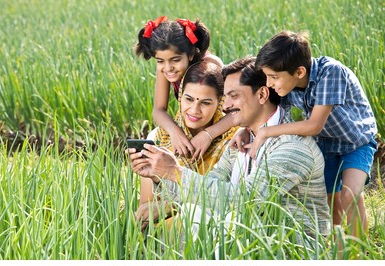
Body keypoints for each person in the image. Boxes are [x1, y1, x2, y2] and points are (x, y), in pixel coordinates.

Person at [128, 56, 331, 240]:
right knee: (193, 213)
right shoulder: (242, 139)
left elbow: (243, 201)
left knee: (196, 220)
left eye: (234, 96)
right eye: (226, 97)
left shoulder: (292, 147)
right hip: (251, 237)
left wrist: (175, 172)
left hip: (288, 251)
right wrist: (159, 175)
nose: (225, 107)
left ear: (262, 95)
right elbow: (210, 190)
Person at [234, 31, 377, 238]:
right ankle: (336, 249)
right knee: (331, 202)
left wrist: (266, 132)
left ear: (299, 72)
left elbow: (314, 125)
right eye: (267, 76)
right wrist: (244, 130)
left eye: (273, 77)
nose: (269, 83)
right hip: (326, 146)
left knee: (351, 195)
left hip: (355, 143)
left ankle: (359, 252)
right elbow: (265, 111)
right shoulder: (287, 84)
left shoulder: (331, 73)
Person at [135, 61, 237, 226]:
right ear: (180, 96)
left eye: (205, 102)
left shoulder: (233, 141)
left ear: (220, 102)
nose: (194, 110)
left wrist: (170, 206)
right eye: (188, 99)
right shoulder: (159, 138)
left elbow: (228, 200)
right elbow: (146, 205)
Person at [134, 16, 235, 160]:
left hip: (220, 126)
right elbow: (158, 110)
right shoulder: (166, 69)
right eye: (160, 61)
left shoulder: (211, 66)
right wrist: (175, 132)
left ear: (191, 54)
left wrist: (208, 134)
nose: (168, 68)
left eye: (175, 60)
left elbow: (237, 112)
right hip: (193, 124)